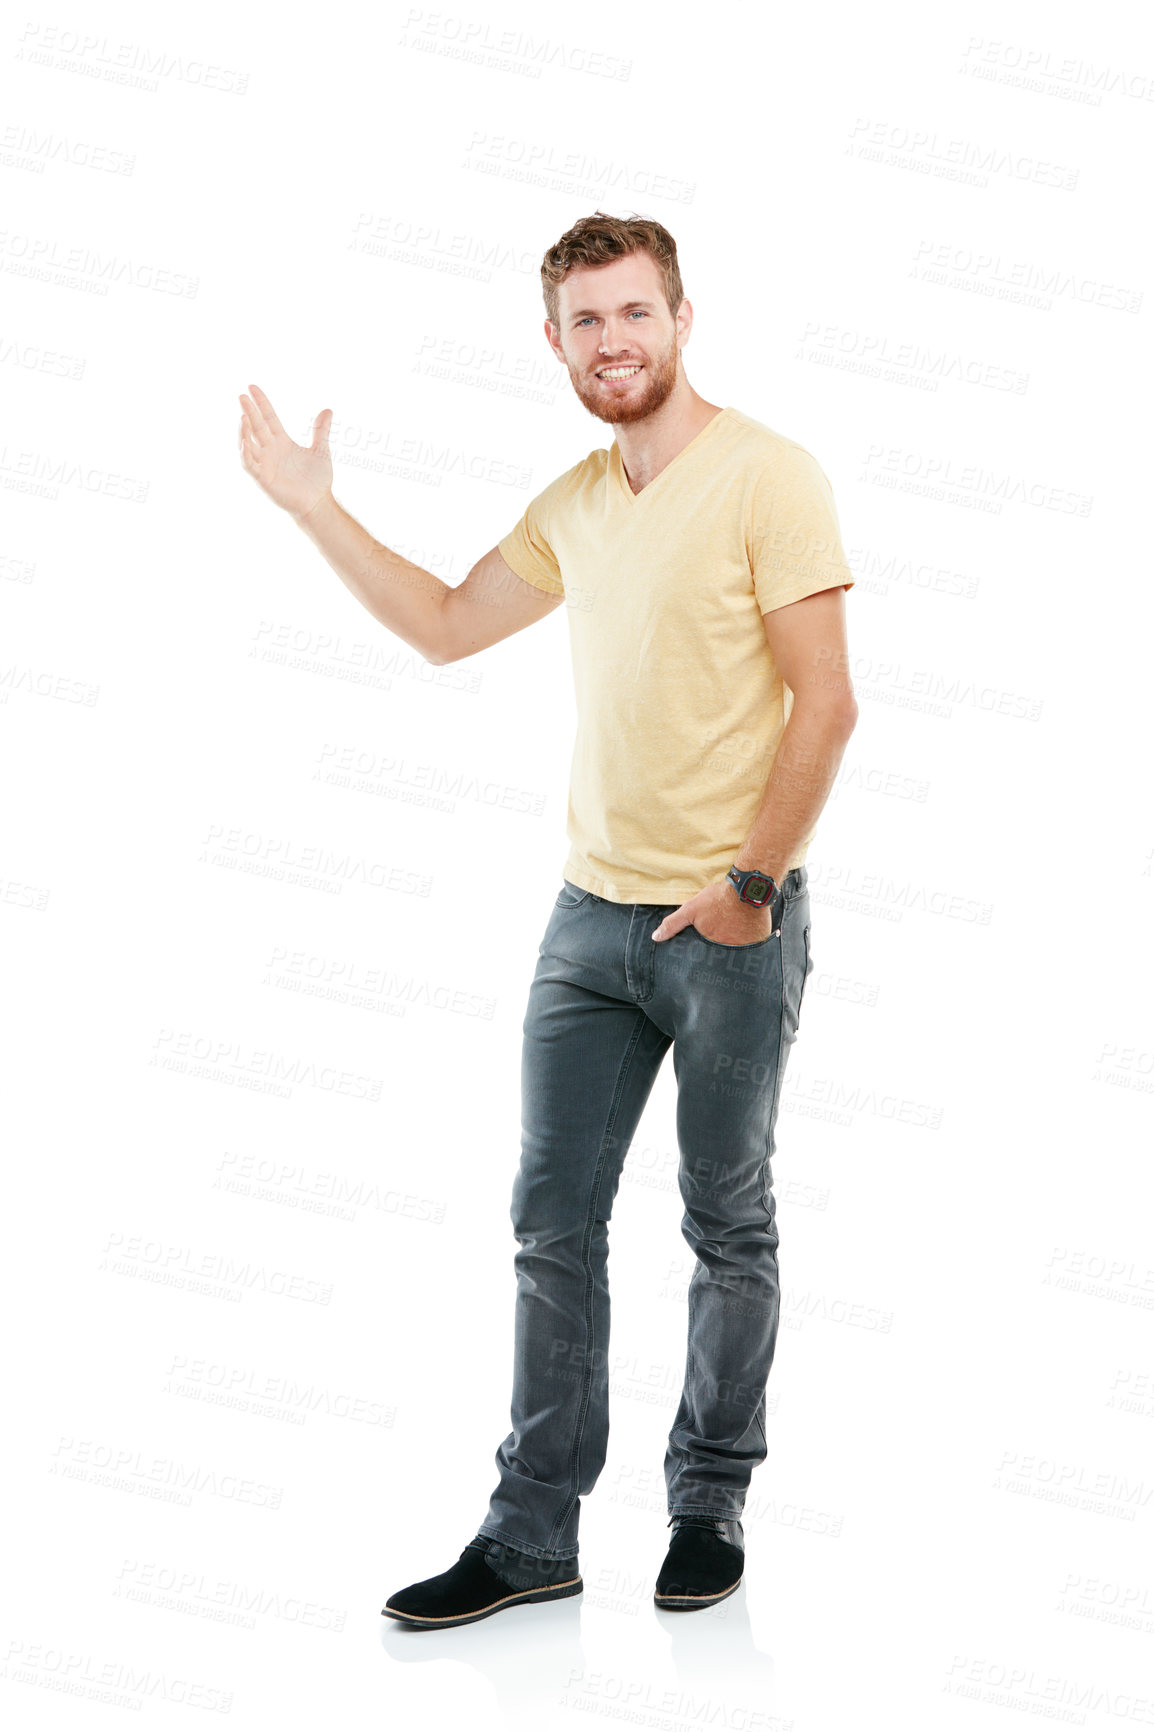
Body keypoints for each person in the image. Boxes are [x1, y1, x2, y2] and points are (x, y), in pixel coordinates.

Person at [238, 209, 858, 1631]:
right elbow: (449, 623)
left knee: (727, 1221)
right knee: (548, 1222)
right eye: (586, 323)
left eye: (635, 314)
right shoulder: (579, 495)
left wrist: (752, 887)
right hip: (588, 921)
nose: (613, 342)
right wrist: (315, 509)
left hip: (730, 923)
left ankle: (706, 1502)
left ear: (682, 318)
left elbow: (826, 704)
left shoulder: (772, 477)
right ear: (554, 343)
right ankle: (531, 1536)